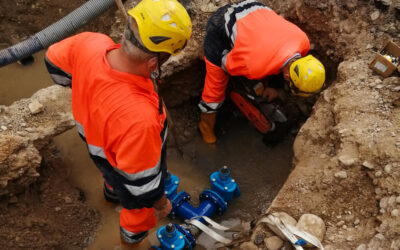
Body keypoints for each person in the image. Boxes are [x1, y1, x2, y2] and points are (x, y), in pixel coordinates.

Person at [44, 0, 191, 248]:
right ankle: (130, 242)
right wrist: (160, 202)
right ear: (155, 63)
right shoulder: (140, 119)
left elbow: (53, 60)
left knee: (110, 175)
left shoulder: (92, 44)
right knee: (138, 213)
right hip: (128, 159)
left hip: (95, 143)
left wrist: (84, 84)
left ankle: (109, 199)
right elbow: (141, 187)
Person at [198, 0, 325, 144]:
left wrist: (275, 90)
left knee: (262, 70)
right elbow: (225, 64)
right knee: (215, 87)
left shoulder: (304, 42)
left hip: (256, 8)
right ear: (287, 76)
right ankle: (206, 130)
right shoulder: (252, 66)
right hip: (221, 22)